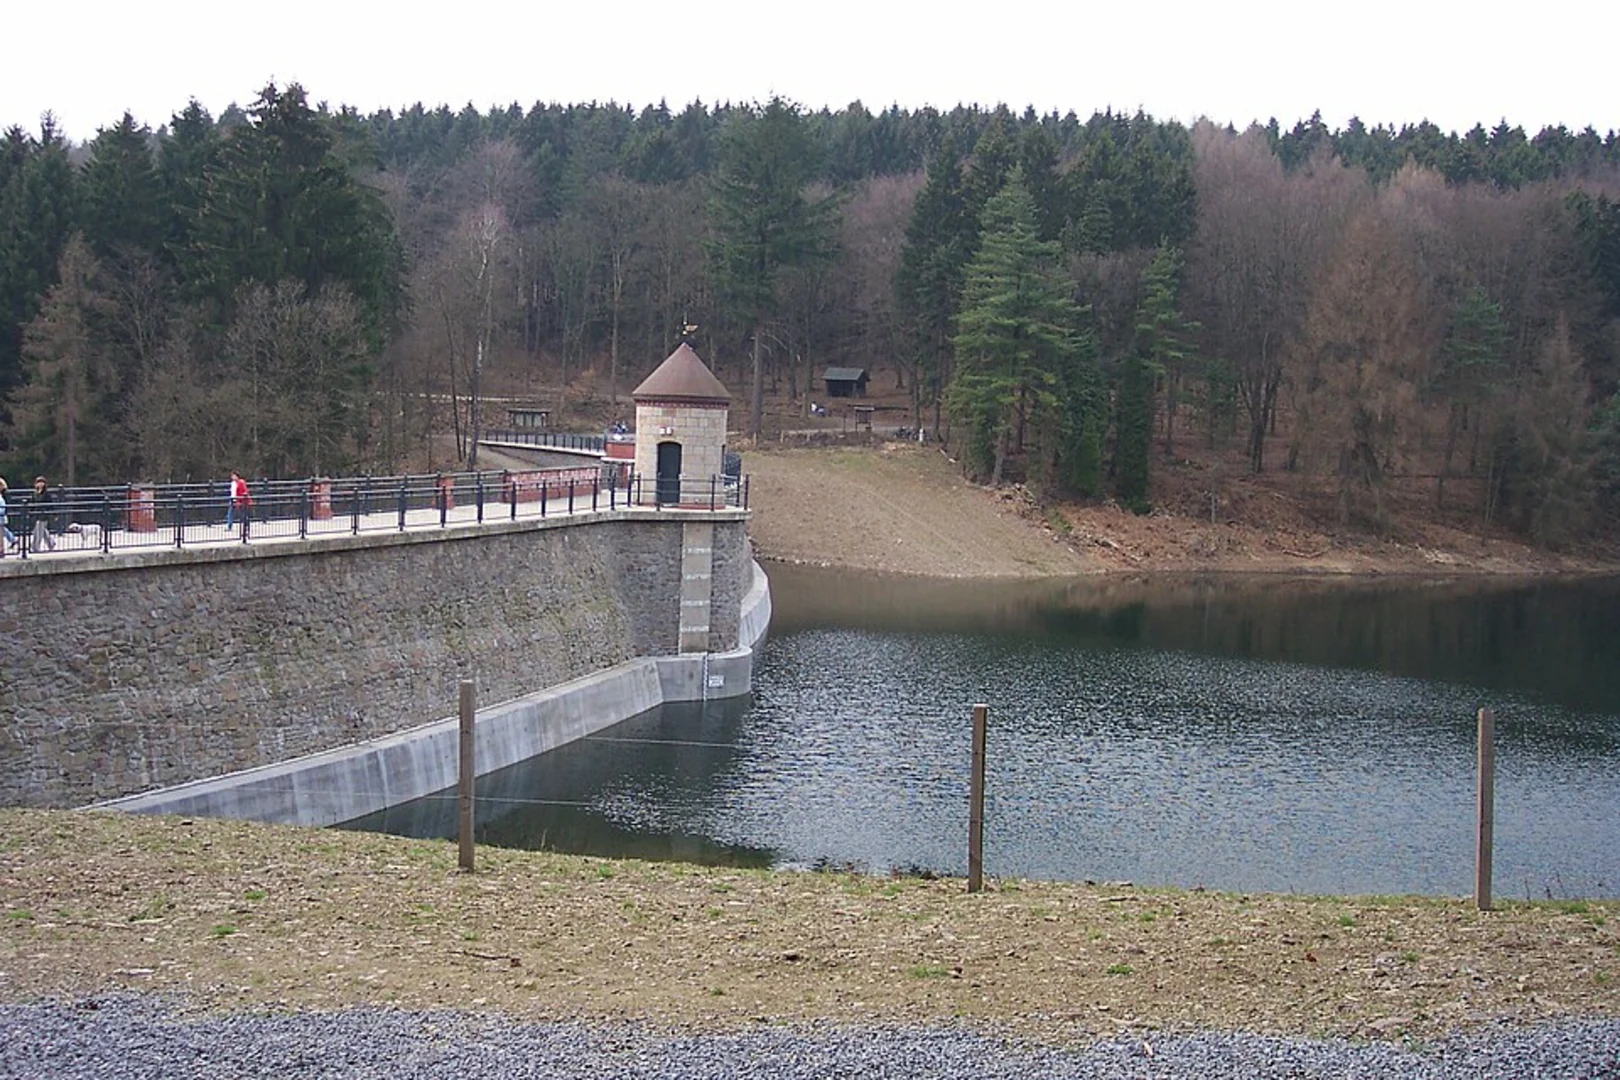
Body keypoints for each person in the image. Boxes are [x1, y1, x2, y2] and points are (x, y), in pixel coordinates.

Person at [29, 476, 55, 552]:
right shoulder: (34, 493)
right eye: (38, 482)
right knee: (42, 530)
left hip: (43, 514)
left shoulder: (47, 494)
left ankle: (36, 546)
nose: (40, 484)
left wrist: (53, 514)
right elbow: (32, 503)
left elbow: (50, 504)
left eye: (42, 482)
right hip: (36, 514)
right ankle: (51, 543)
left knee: (38, 531)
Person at [0, 477, 15, 553]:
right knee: (3, 530)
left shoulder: (4, 494)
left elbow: (4, 506)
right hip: (2, 516)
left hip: (2, 516)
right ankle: (13, 539)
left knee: (2, 531)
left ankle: (12, 540)